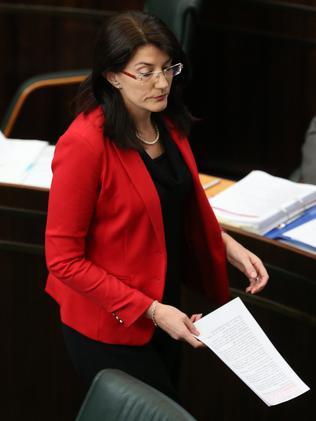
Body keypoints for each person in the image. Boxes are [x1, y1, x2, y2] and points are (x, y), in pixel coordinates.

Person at [45, 11, 269, 402]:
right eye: (146, 72)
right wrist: (150, 309)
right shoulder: (84, 144)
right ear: (113, 76)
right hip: (110, 324)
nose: (162, 83)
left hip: (166, 309)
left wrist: (226, 243)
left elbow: (171, 206)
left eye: (168, 68)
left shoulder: (166, 122)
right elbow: (63, 260)